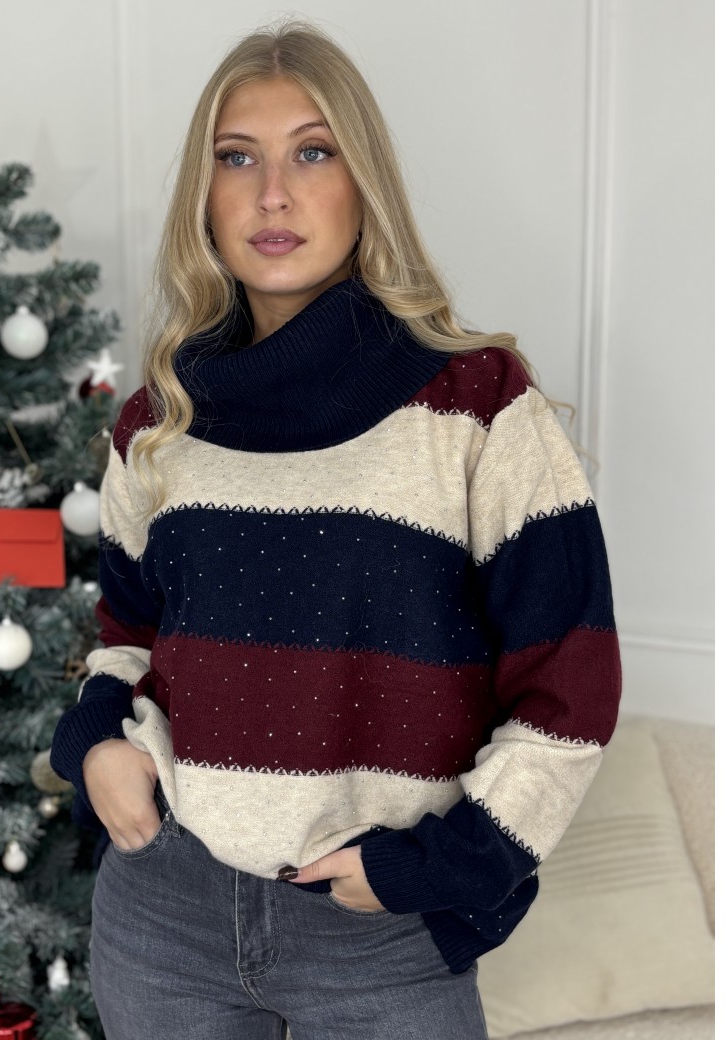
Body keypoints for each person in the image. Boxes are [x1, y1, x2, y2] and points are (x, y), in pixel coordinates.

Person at [51, 19, 621, 1040]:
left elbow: (568, 693)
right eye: (238, 158)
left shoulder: (479, 407)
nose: (272, 193)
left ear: (365, 184)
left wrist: (441, 865)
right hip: (164, 911)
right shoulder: (159, 422)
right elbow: (126, 635)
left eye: (312, 153)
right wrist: (97, 737)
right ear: (204, 197)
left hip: (379, 930)